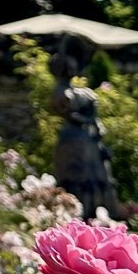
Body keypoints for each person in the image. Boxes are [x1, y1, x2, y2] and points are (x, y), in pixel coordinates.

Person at [47, 45, 119, 220]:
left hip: (85, 141)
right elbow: (68, 112)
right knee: (76, 178)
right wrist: (90, 121)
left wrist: (95, 125)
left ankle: (93, 213)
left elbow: (82, 114)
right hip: (74, 140)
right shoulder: (63, 92)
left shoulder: (82, 93)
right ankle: (78, 214)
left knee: (90, 177)